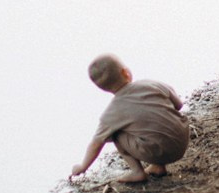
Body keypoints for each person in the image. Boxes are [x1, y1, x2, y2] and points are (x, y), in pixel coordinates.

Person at [69, 54, 189, 183]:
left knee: (116, 133)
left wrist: (82, 167)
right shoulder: (152, 84)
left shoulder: (112, 112)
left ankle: (137, 172)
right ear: (126, 73)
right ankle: (158, 167)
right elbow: (179, 105)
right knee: (151, 122)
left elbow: (96, 144)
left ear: (102, 88)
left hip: (161, 152)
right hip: (183, 140)